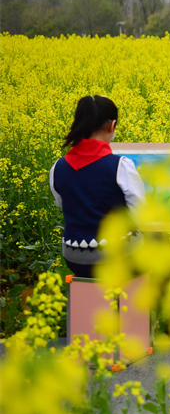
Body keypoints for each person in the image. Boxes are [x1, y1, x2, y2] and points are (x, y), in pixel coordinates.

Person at [50, 96, 145, 278]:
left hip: (74, 258)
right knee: (156, 242)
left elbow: (64, 205)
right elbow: (140, 214)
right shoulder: (120, 166)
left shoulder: (57, 167)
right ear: (112, 125)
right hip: (116, 257)